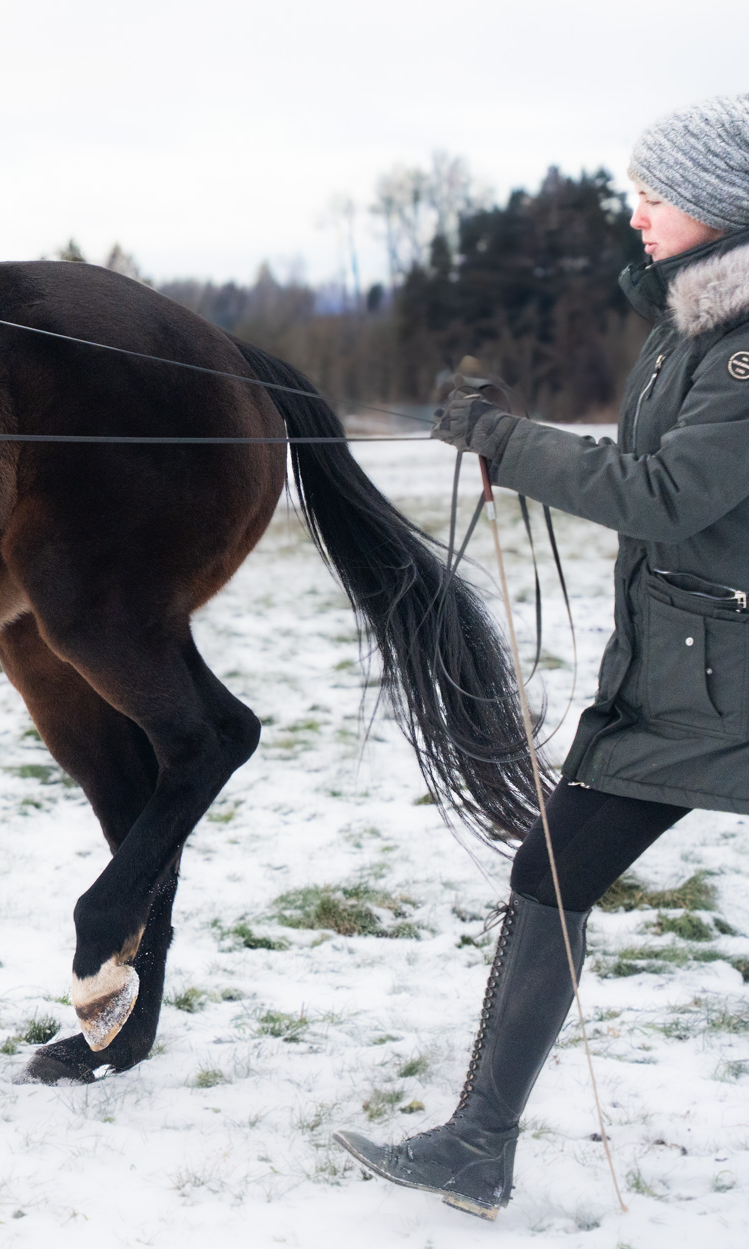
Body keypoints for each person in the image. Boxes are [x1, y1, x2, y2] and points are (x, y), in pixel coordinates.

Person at [336, 93, 749, 1219]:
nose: (633, 212)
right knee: (549, 870)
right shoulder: (690, 329)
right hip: (682, 674)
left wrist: (506, 444)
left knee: (549, 869)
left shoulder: (740, 349)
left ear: (714, 203)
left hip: (718, 683)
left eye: (652, 194)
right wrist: (512, 433)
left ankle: (475, 1145)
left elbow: (667, 496)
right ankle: (476, 1144)